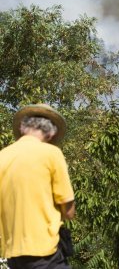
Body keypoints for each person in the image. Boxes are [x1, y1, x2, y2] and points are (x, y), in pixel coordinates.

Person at [0, 104, 75, 269]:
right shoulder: (51, 153)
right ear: (52, 133)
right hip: (45, 250)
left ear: (21, 128)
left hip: (13, 254)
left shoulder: (2, 157)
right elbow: (69, 212)